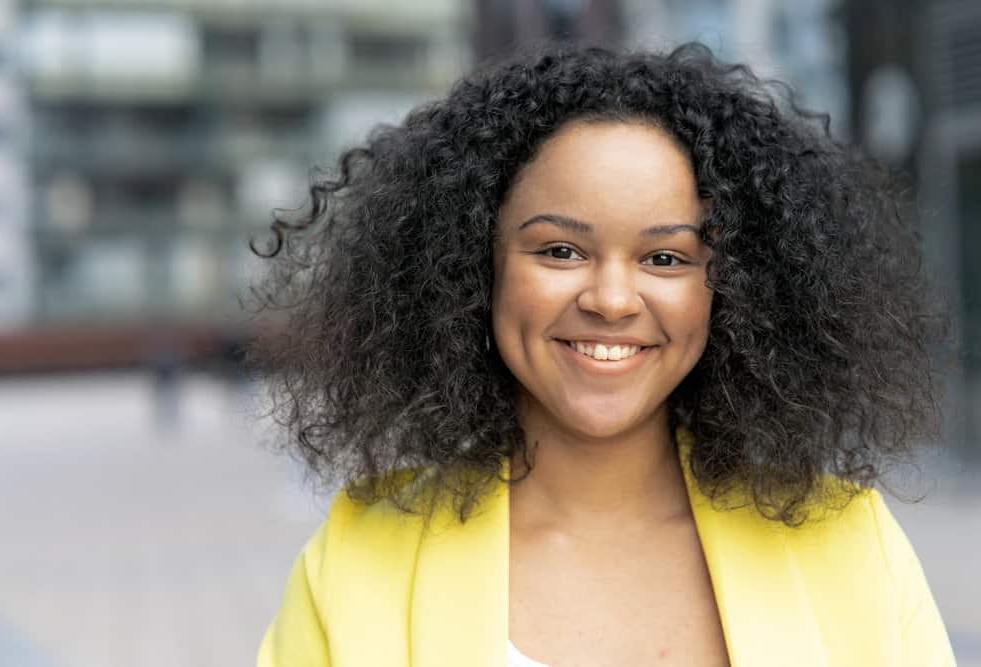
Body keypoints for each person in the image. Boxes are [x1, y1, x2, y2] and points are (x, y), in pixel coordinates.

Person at [247, 42, 956, 667]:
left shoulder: (853, 545)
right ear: (473, 266)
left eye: (666, 256)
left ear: (734, 288)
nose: (613, 298)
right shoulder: (361, 557)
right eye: (560, 249)